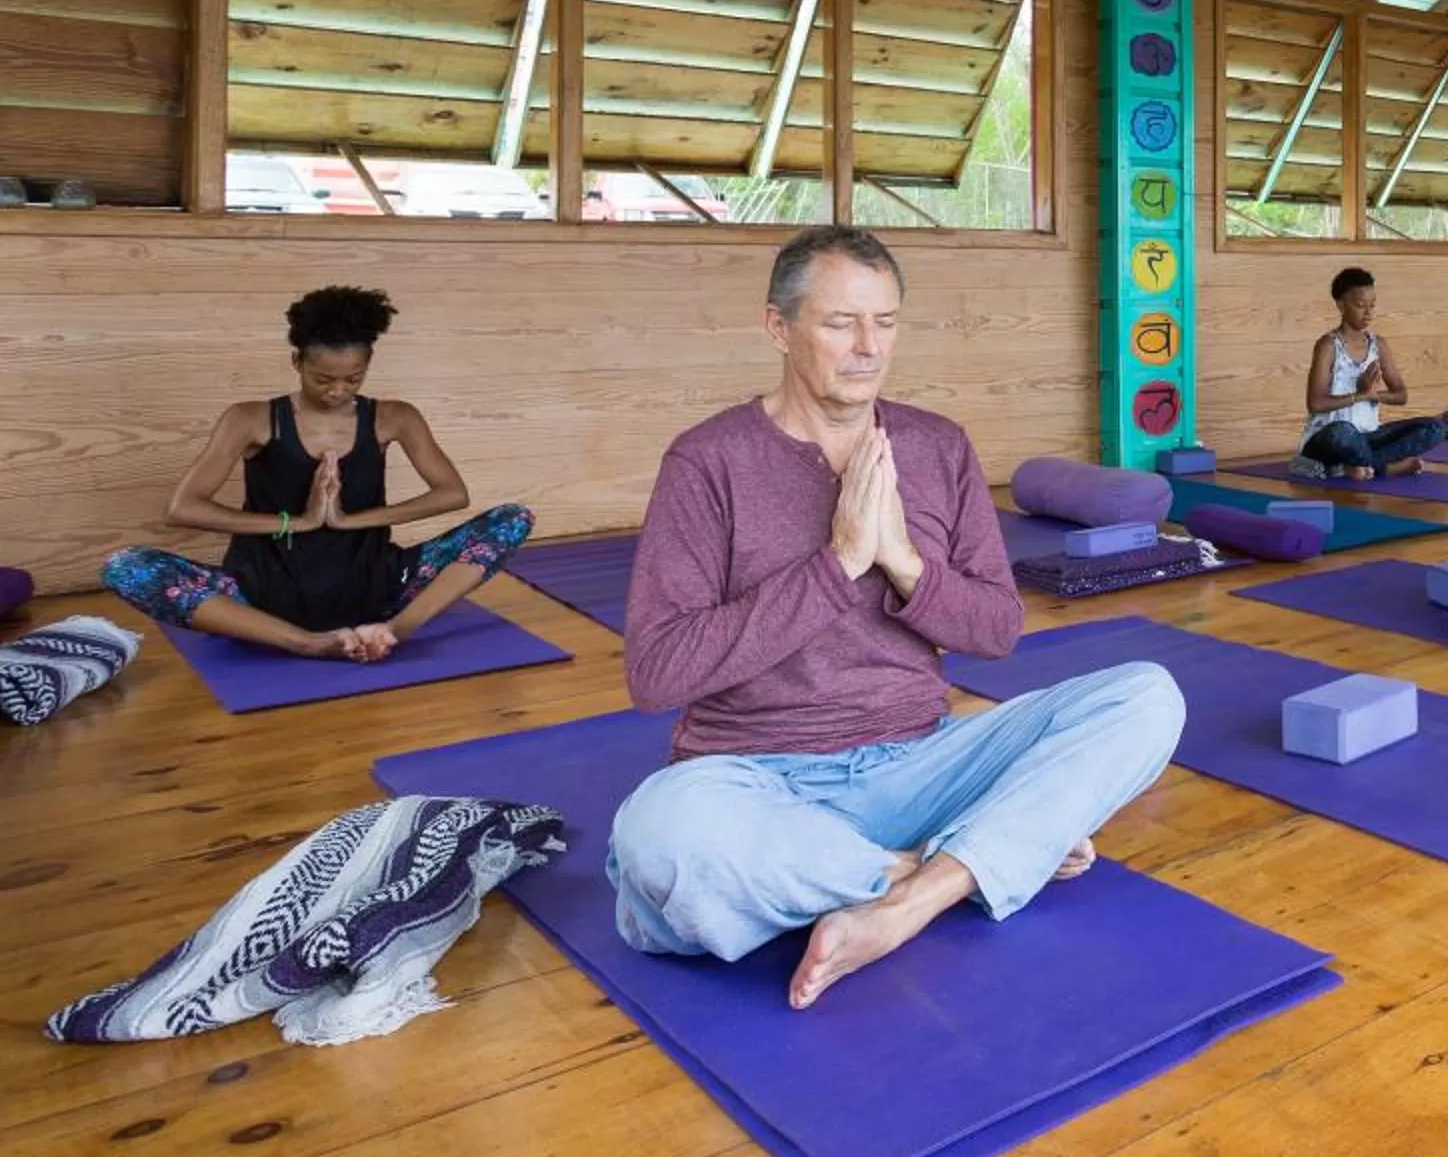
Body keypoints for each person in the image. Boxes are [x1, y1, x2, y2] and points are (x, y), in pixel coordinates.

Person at [605, 226, 1183, 1010]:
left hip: (923, 760)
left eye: (885, 322)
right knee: (658, 842)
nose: (867, 347)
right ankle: (952, 862)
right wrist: (838, 562)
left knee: (1147, 696)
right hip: (755, 777)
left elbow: (996, 630)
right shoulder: (708, 462)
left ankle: (909, 900)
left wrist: (902, 562)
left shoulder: (937, 447)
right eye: (840, 322)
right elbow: (657, 673)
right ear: (778, 327)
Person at [102, 285, 533, 661]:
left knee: (513, 518)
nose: (338, 391)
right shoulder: (250, 418)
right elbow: (182, 508)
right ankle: (307, 643)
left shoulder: (394, 417)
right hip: (264, 596)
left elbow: (451, 493)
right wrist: (299, 521)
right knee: (127, 566)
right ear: (296, 361)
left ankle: (391, 632)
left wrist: (348, 519)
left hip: (378, 587)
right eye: (323, 379)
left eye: (353, 379)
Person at [1290, 266, 1446, 479]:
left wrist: (1375, 395)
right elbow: (1316, 404)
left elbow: (1401, 395)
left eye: (1372, 306)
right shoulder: (1327, 346)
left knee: (1434, 428)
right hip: (1329, 437)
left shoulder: (1378, 345)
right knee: (1342, 433)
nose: (1368, 313)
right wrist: (1360, 395)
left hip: (1368, 436)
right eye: (1360, 305)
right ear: (1341, 305)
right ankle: (1385, 467)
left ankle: (1355, 467)